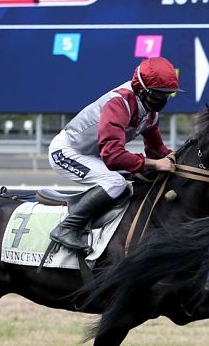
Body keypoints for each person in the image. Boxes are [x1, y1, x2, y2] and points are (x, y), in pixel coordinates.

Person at [47, 56, 182, 252]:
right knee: (115, 182)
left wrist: (179, 159)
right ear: (142, 89)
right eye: (159, 94)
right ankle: (67, 227)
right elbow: (113, 156)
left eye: (167, 95)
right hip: (66, 152)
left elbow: (156, 151)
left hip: (96, 155)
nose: (164, 100)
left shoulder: (151, 113)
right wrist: (154, 163)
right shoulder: (118, 104)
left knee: (141, 178)